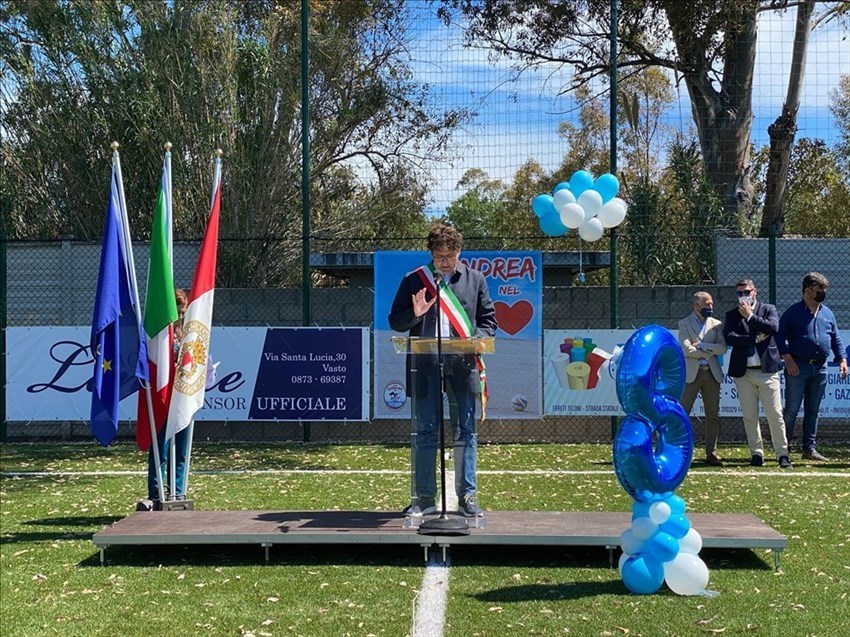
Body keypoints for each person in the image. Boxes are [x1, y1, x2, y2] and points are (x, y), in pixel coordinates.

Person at [388, 223, 497, 517]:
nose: (445, 261)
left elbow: (488, 320)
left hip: (463, 366)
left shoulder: (475, 280)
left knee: (465, 430)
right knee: (425, 431)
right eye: (439, 256)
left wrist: (481, 338)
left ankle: (467, 497)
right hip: (424, 366)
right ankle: (423, 499)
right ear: (431, 254)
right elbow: (396, 321)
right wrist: (415, 314)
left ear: (459, 252)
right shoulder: (415, 280)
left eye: (450, 255)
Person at [722, 278, 792, 469]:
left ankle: (782, 454)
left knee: (775, 414)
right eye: (739, 293)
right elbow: (729, 337)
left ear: (755, 292)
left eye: (746, 292)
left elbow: (773, 329)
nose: (743, 296)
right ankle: (756, 453)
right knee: (749, 416)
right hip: (743, 373)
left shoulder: (768, 309)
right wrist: (754, 338)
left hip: (767, 372)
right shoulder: (732, 315)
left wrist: (751, 316)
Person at [777, 272, 848, 461]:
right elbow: (779, 337)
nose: (823, 293)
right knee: (792, 409)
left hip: (820, 369)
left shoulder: (827, 313)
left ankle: (809, 449)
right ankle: (784, 448)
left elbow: (836, 338)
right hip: (797, 368)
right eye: (820, 290)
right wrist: (788, 359)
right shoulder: (792, 313)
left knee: (813, 410)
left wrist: (842, 359)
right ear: (808, 290)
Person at [139, 288, 191, 510]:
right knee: (160, 446)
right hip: (163, 395)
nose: (179, 317)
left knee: (181, 448)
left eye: (183, 313)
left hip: (182, 396)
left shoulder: (186, 332)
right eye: (177, 313)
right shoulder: (159, 335)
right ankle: (156, 493)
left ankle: (177, 492)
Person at [677, 292, 727, 466]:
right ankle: (680, 451)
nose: (710, 308)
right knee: (683, 413)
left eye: (711, 304)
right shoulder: (684, 324)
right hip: (692, 374)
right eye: (706, 305)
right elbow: (687, 351)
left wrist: (703, 346)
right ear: (696, 306)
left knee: (712, 415)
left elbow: (722, 349)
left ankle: (711, 452)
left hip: (711, 374)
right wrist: (707, 352)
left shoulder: (717, 324)